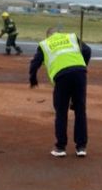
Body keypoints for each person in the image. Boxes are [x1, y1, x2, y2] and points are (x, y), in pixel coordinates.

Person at [29, 27, 92, 157]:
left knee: (61, 111)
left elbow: (35, 63)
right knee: (80, 110)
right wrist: (83, 64)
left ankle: (60, 147)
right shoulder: (71, 37)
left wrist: (33, 78)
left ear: (48, 36)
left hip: (62, 76)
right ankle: (81, 147)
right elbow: (87, 50)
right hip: (80, 73)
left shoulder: (45, 44)